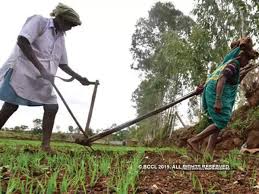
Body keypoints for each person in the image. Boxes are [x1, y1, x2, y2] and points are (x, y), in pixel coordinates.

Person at [0, 3, 91, 153]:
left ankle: (45, 146)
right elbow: (22, 41)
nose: (71, 28)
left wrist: (80, 78)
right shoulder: (39, 22)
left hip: (43, 79)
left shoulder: (60, 37)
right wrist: (42, 68)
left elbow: (63, 64)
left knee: (52, 106)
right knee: (10, 106)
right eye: (70, 24)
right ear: (61, 18)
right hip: (22, 72)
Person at [187, 37, 258, 155]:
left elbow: (228, 80)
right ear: (242, 56)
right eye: (248, 59)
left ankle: (209, 152)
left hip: (210, 89)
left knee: (217, 122)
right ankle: (194, 140)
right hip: (215, 91)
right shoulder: (234, 64)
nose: (247, 62)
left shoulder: (231, 64)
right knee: (222, 120)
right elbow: (222, 79)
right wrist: (218, 100)